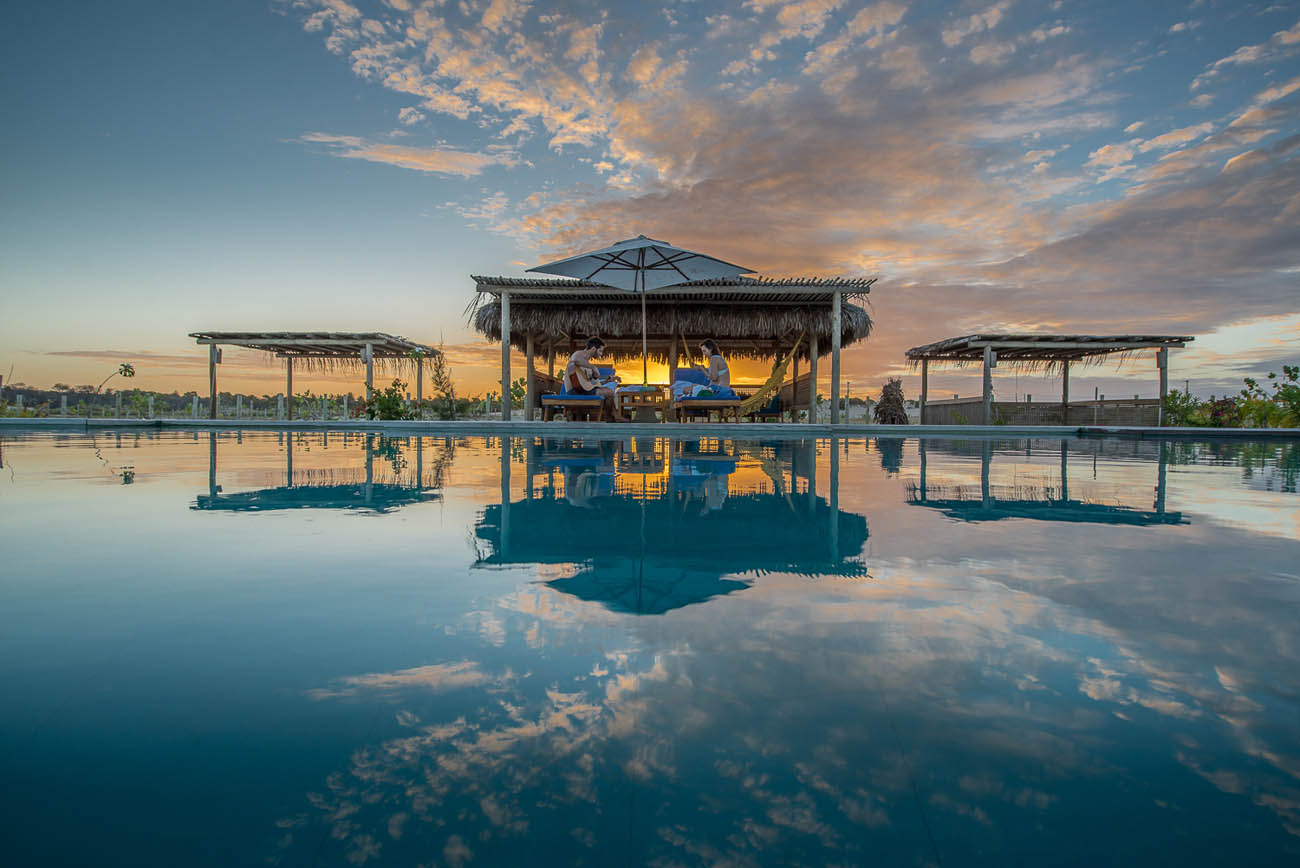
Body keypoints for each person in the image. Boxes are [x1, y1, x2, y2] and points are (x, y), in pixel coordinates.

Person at [565, 337, 626, 421]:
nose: (601, 354)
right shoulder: (579, 354)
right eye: (600, 351)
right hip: (575, 391)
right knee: (609, 392)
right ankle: (612, 417)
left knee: (609, 392)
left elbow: (592, 385)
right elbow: (574, 360)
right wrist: (593, 367)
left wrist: (607, 381)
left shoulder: (586, 366)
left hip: (583, 390)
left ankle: (612, 417)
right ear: (593, 349)